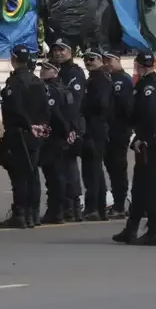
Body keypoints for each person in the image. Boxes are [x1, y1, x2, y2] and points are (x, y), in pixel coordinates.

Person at [114, 53, 156, 246]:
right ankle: (131, 228)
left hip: (151, 143)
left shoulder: (149, 86)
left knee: (149, 187)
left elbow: (150, 115)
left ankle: (154, 231)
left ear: (138, 65)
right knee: (139, 187)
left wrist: (142, 138)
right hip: (153, 140)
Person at [0, 45, 49, 229]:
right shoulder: (37, 81)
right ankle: (32, 214)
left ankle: (21, 213)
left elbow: (16, 109)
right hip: (36, 133)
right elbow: (45, 109)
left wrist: (27, 125)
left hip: (19, 133)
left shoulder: (15, 83)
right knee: (32, 174)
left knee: (20, 176)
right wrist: (39, 127)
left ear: (13, 58)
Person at [51, 40, 86, 220]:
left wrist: (72, 128)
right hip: (59, 126)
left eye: (62, 50)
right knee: (61, 168)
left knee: (69, 167)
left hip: (71, 125)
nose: (58, 53)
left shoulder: (74, 73)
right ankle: (65, 205)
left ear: (70, 52)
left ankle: (73, 206)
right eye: (55, 50)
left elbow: (75, 103)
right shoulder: (59, 71)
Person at [38, 60, 75, 225]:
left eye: (47, 69)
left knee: (54, 177)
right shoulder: (63, 88)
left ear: (55, 72)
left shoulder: (51, 89)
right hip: (61, 136)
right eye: (42, 68)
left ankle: (56, 211)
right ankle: (62, 209)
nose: (42, 71)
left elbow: (55, 114)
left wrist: (65, 131)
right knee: (59, 175)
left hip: (54, 137)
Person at [79, 50, 114, 221]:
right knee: (94, 169)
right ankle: (99, 207)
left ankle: (93, 207)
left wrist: (87, 112)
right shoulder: (94, 78)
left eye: (92, 59)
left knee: (92, 170)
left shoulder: (100, 79)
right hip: (93, 127)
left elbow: (102, 104)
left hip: (96, 128)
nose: (88, 62)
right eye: (86, 59)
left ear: (100, 60)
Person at [104, 51, 134, 219]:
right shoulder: (109, 79)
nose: (107, 63)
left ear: (118, 60)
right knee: (111, 167)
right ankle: (118, 202)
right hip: (109, 130)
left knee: (118, 168)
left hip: (119, 130)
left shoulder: (123, 80)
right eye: (105, 60)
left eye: (110, 60)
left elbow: (127, 108)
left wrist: (125, 127)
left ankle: (120, 205)